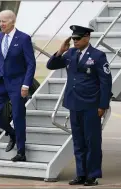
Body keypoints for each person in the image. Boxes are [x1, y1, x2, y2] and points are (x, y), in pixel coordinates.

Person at [46, 25, 112, 186]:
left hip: (91, 105)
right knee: (78, 142)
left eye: (78, 38)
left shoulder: (98, 55)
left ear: (87, 37)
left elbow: (105, 82)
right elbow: (51, 65)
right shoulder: (70, 54)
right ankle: (81, 174)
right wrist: (60, 51)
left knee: (92, 142)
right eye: (73, 38)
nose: (74, 41)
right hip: (74, 103)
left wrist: (102, 105)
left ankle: (92, 175)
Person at [0, 10, 36, 162]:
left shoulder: (23, 38)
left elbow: (31, 64)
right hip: (1, 82)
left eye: (4, 21)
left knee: (18, 116)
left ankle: (21, 152)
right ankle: (12, 133)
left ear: (12, 21)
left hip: (17, 83)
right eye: (0, 21)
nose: (1, 24)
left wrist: (26, 84)